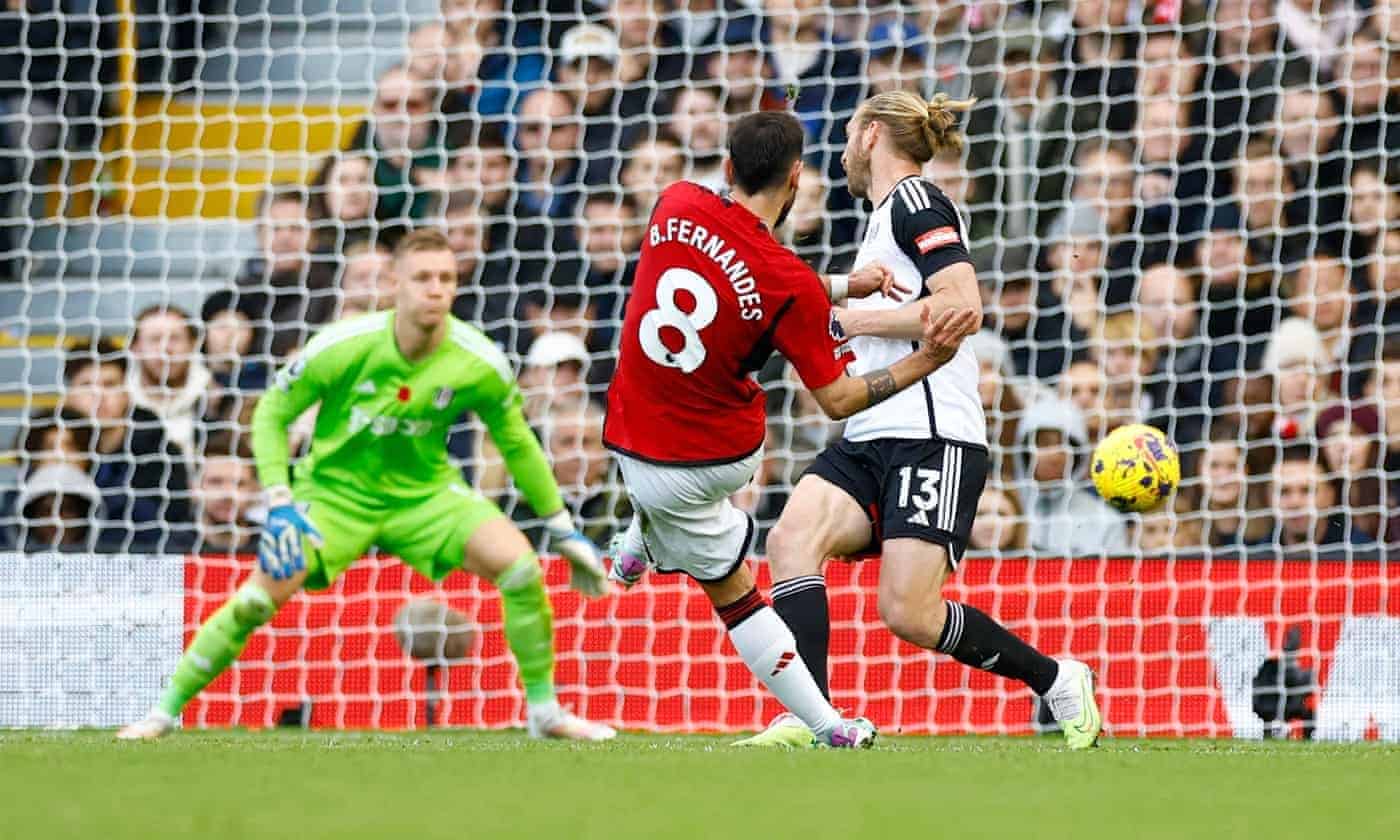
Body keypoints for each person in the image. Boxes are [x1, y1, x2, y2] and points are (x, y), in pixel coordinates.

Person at [118, 228, 614, 741]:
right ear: (395, 283)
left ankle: (545, 713)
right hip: (334, 496)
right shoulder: (343, 344)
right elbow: (271, 412)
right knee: (253, 602)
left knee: (520, 569)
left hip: (425, 495)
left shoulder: (478, 359)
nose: (436, 289)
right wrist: (281, 500)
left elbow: (517, 443)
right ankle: (162, 712)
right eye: (423, 278)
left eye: (445, 278)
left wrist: (561, 527)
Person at [602, 110, 973, 748]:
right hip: (710, 462)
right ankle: (828, 726)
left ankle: (639, 542)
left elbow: (735, 269)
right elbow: (837, 398)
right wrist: (923, 359)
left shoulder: (675, 202)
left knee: (665, 420)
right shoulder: (791, 285)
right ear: (797, 176)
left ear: (726, 169)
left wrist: (835, 286)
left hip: (627, 425)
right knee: (737, 593)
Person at [749, 92, 1102, 751]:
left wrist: (855, 320)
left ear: (873, 134)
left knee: (907, 613)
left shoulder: (916, 200)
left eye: (851, 134)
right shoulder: (882, 220)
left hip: (931, 436)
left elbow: (962, 304)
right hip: (871, 432)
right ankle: (813, 716)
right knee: (790, 539)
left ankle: (1056, 678)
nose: (846, 149)